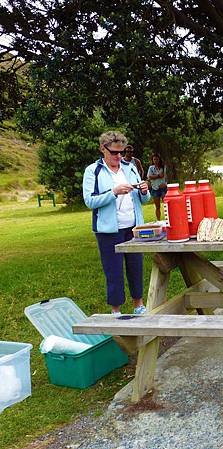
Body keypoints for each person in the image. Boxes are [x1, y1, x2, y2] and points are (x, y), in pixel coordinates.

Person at [82, 131, 151, 315]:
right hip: (108, 230)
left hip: (134, 228)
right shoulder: (92, 171)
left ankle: (139, 305)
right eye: (114, 152)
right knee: (113, 271)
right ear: (103, 149)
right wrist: (113, 192)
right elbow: (89, 201)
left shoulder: (130, 167)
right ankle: (116, 310)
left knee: (136, 267)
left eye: (121, 152)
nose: (118, 156)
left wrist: (144, 190)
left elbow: (144, 200)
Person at [147, 153, 167, 220]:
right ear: (152, 160)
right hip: (155, 188)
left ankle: (168, 219)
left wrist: (165, 183)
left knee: (166, 205)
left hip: (163, 188)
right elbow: (149, 177)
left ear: (159, 159)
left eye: (157, 159)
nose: (156, 161)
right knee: (157, 206)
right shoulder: (151, 168)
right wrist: (158, 176)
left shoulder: (163, 167)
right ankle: (158, 220)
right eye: (154, 159)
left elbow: (164, 176)